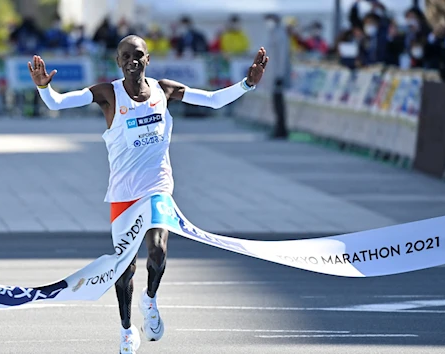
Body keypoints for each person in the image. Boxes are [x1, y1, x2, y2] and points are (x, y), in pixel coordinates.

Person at [28, 35, 268, 354]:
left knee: (157, 251)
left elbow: (210, 100)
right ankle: (127, 330)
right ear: (118, 61)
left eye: (138, 55)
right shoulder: (107, 94)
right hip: (124, 194)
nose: (132, 60)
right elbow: (57, 104)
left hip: (157, 188)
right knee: (124, 267)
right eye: (126, 56)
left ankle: (150, 299)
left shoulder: (163, 90)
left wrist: (246, 85)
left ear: (148, 59)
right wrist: (45, 87)